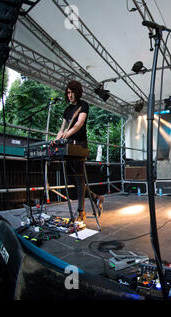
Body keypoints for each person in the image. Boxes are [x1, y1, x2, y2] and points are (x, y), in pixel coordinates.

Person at [54, 80, 104, 222]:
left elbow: (79, 124)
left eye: (72, 92)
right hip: (68, 146)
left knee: (79, 177)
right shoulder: (67, 109)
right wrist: (57, 139)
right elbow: (62, 129)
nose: (70, 95)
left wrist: (66, 135)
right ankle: (95, 197)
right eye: (68, 92)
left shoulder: (84, 105)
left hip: (80, 145)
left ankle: (81, 212)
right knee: (72, 179)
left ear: (78, 92)